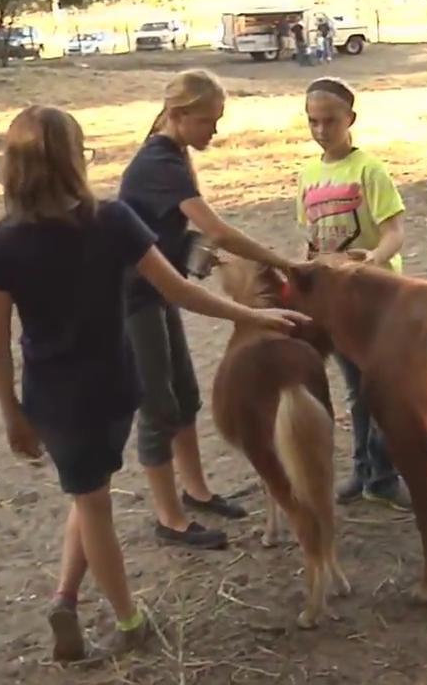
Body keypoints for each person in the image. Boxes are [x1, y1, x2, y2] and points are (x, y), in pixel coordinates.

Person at [0, 105, 309, 662]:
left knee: (87, 493)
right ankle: (125, 619)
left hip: (52, 398)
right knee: (92, 499)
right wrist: (252, 315)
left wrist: (13, 414)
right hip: (111, 387)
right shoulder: (111, 220)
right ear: (74, 160)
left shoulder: (2, 242)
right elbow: (180, 290)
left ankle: (67, 598)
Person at [120, 69, 298, 549]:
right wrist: (280, 261)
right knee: (158, 407)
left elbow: (174, 232)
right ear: (178, 115)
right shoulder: (158, 161)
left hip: (157, 290)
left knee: (184, 395)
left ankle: (196, 491)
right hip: (133, 297)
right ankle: (170, 518)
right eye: (207, 121)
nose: (214, 131)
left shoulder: (173, 154)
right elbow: (216, 229)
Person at [295, 76, 412, 509]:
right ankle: (366, 472)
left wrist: (373, 260)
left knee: (385, 388)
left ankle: (383, 472)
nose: (321, 130)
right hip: (334, 303)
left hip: (375, 300)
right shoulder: (308, 175)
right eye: (313, 121)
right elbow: (311, 239)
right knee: (357, 391)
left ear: (350, 119)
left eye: (330, 121)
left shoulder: (369, 170)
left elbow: (394, 231)